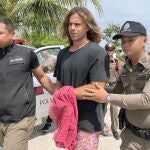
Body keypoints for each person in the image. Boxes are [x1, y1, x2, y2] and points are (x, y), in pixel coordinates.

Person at [82, 21, 150, 150]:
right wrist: (94, 85)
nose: (125, 44)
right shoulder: (126, 68)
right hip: (131, 137)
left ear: (144, 41)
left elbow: (147, 99)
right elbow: (115, 90)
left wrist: (107, 97)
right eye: (123, 41)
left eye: (130, 40)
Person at [53, 7, 108, 149]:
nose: (72, 28)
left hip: (87, 121)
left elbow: (96, 88)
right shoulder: (62, 54)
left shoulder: (97, 52)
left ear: (87, 27)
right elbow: (58, 84)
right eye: (69, 24)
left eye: (77, 24)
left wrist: (64, 94)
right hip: (66, 120)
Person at [0, 17, 55, 150]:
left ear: (12, 34)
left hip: (20, 118)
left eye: (0, 33)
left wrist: (58, 95)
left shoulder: (26, 54)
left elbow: (42, 77)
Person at [103, 42, 121, 140]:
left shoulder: (117, 62)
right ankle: (100, 127)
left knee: (114, 110)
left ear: (113, 51)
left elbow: (121, 75)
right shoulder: (101, 61)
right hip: (104, 88)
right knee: (103, 109)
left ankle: (115, 130)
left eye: (111, 50)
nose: (109, 51)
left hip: (114, 87)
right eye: (107, 50)